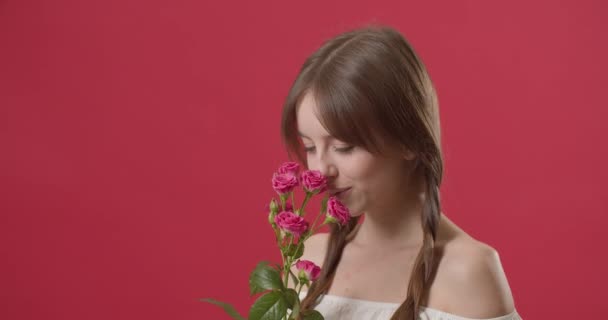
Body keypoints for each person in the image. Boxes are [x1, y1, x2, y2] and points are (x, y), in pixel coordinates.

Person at [280, 25, 521, 320]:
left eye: (343, 147)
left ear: (408, 139)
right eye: (309, 146)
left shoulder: (468, 272)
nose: (320, 171)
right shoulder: (306, 261)